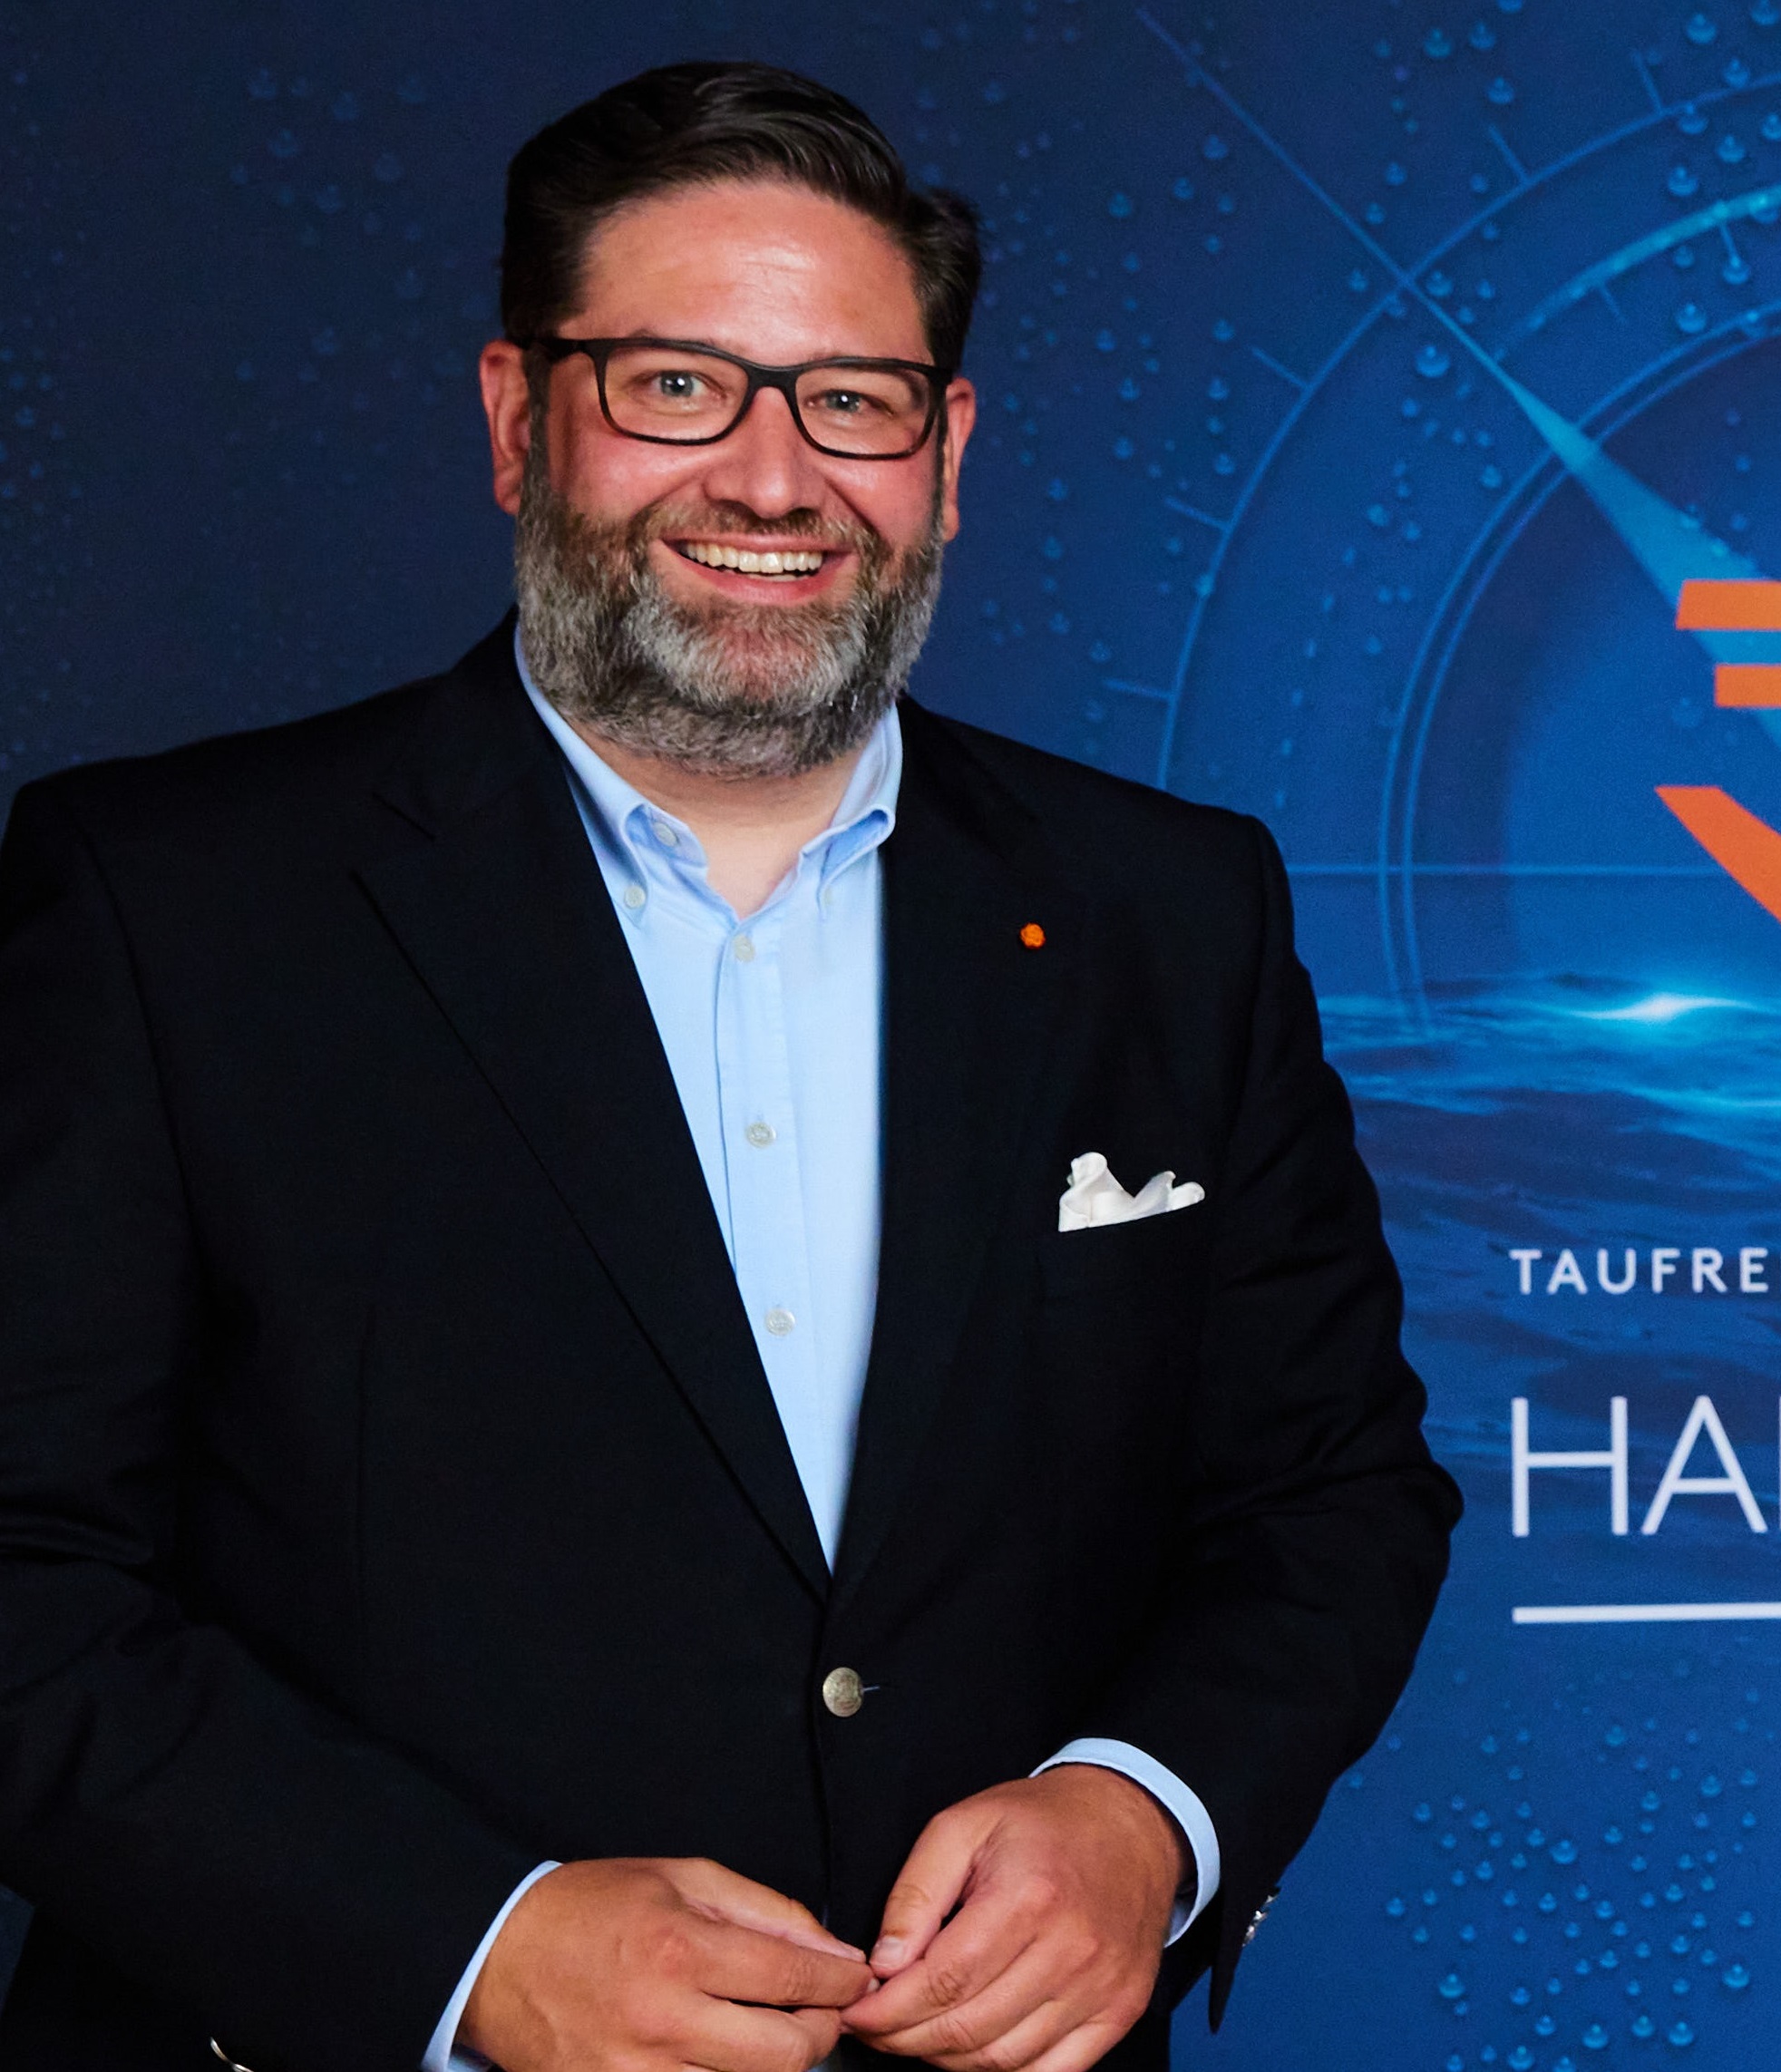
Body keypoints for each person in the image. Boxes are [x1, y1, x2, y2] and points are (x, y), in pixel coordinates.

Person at [0, 61, 1459, 2072]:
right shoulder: (160, 901)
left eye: (851, 400)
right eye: (677, 385)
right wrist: (468, 1948)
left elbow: (1332, 1495)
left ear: (947, 452)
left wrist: (1145, 1817)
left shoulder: (1170, 910)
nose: (774, 481)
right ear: (517, 418)